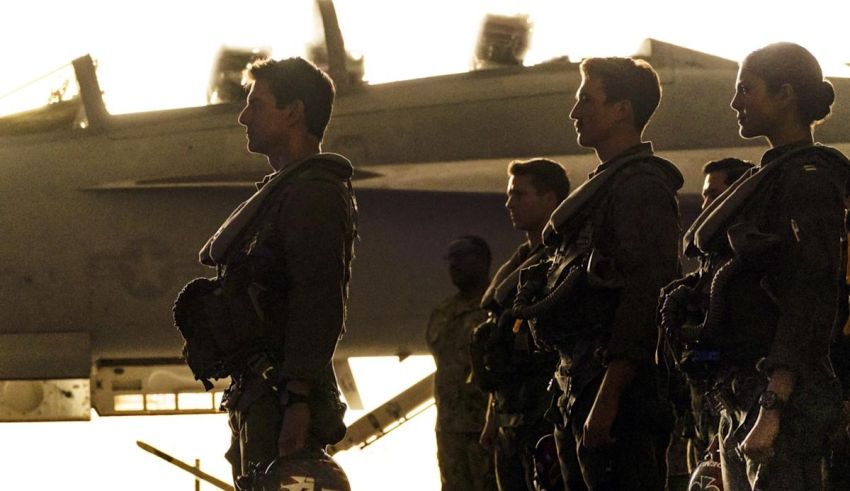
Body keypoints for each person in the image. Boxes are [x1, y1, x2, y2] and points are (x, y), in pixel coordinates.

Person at [680, 42, 850, 490]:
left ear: (785, 93)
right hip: (741, 393)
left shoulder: (808, 180)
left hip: (776, 399)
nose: (736, 102)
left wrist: (773, 406)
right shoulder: (771, 178)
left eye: (746, 89)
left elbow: (810, 296)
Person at [519, 57, 683, 489]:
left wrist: (608, 399)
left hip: (616, 397)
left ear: (621, 109)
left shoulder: (640, 187)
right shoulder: (602, 189)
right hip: (578, 387)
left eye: (586, 100)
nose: (575, 112)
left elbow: (645, 295)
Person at [195, 57, 357, 489]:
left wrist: (299, 400)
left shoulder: (313, 194)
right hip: (262, 397)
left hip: (282, 401)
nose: (244, 116)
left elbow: (318, 297)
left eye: (257, 104)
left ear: (293, 111)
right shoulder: (284, 192)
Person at [472, 158, 571, 490]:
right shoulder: (516, 267)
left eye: (519, 194)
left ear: (550, 199)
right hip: (511, 416)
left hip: (545, 415)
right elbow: (499, 347)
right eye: (509, 194)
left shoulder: (564, 263)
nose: (509, 203)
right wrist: (492, 417)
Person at [427, 236, 497, 491]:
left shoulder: (497, 306)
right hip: (449, 428)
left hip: (485, 427)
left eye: (461, 257)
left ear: (481, 260)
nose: (453, 265)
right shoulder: (442, 312)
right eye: (450, 259)